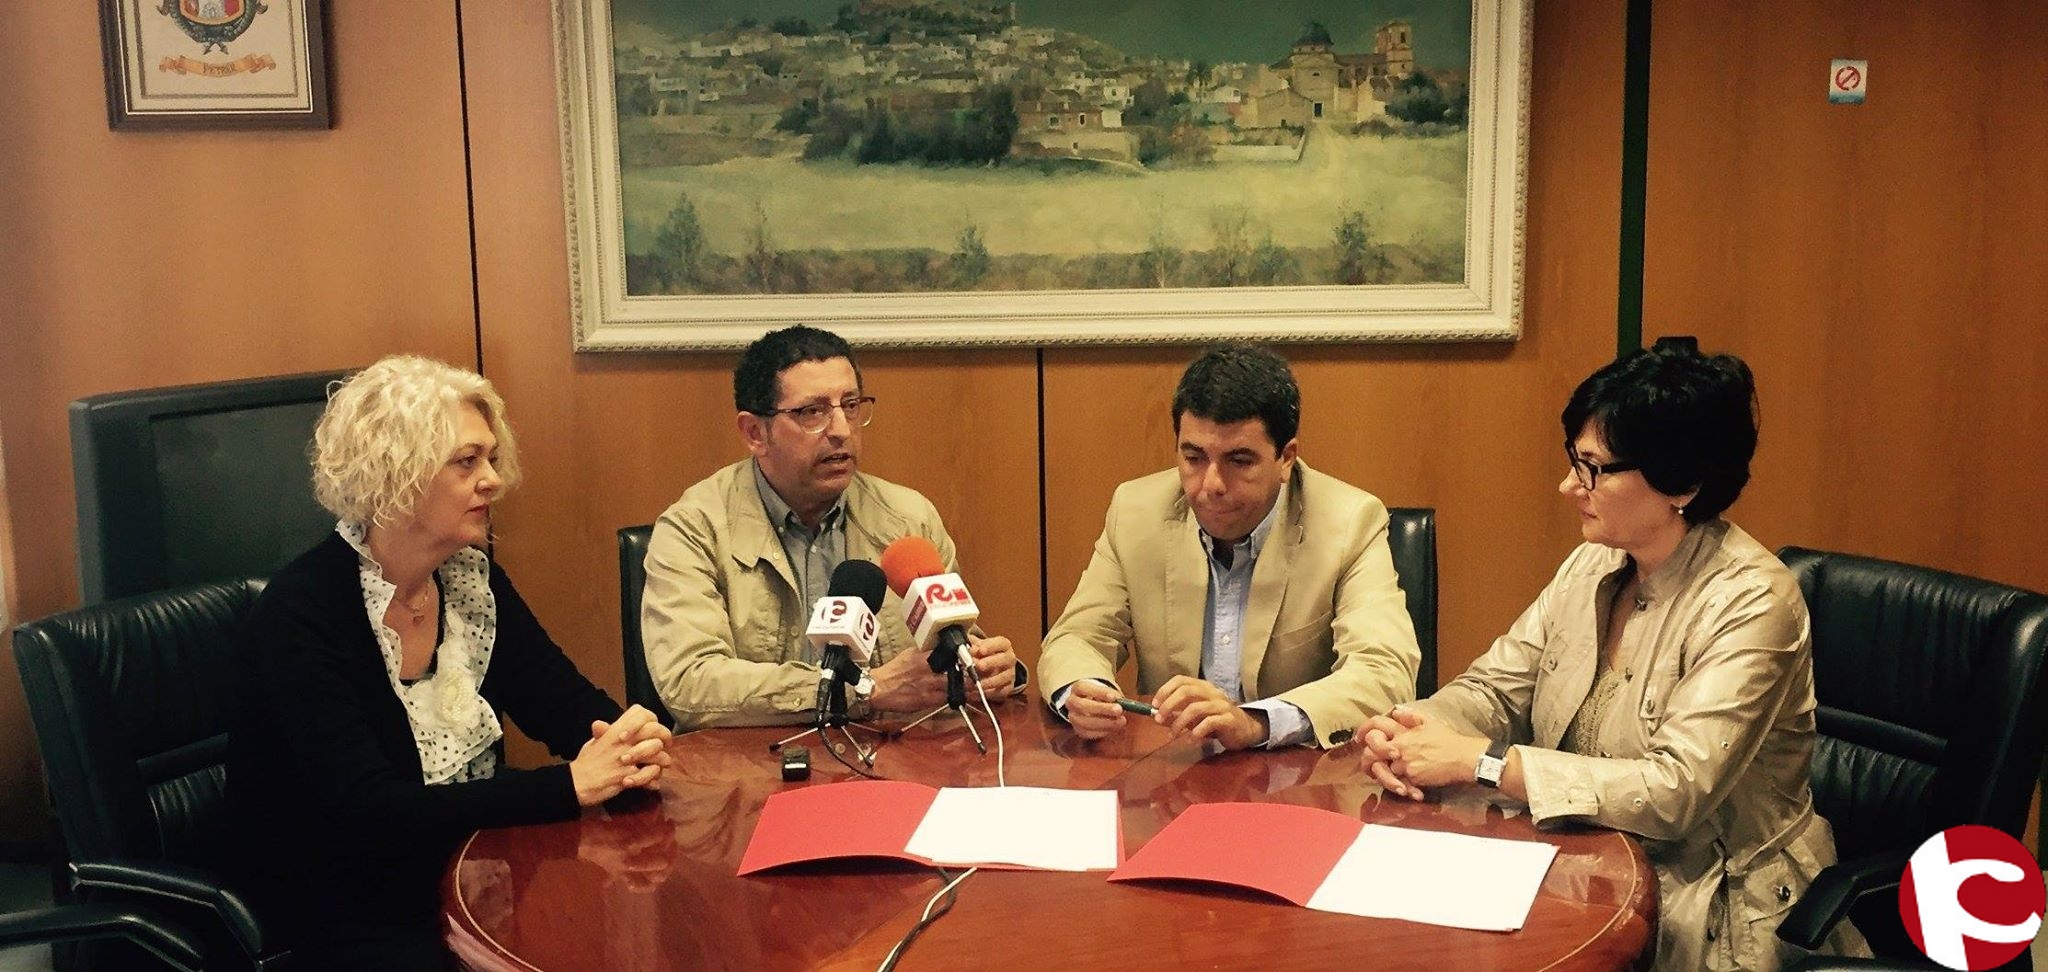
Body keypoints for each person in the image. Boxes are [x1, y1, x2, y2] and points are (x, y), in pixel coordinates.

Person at [1358, 341, 1866, 970]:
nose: (1569, 486)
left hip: (1714, 910)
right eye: (1574, 461)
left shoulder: (1753, 602)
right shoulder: (1592, 563)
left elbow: (1674, 791)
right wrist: (1416, 729)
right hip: (1582, 871)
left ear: (1681, 482)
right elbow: (1495, 687)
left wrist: (1482, 765)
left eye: (1593, 468)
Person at [227, 355, 672, 970]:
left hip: (465, 867)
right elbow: (372, 811)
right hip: (339, 903)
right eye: (467, 462)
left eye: (490, 458)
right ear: (394, 474)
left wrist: (627, 738)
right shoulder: (301, 613)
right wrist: (569, 784)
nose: (493, 480)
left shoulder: (467, 580)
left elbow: (563, 704)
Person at [1037, 344, 1420, 751]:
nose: (1211, 485)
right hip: (1171, 768)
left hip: (1300, 774)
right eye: (1194, 458)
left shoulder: (1350, 523)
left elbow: (1384, 672)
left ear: (1286, 458)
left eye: (1239, 461)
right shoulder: (1136, 512)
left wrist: (1256, 722)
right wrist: (1083, 688)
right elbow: (1078, 636)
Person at [641, 325, 1022, 730]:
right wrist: (865, 690)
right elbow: (691, 685)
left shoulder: (909, 518)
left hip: (887, 755)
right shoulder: (694, 530)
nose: (841, 430)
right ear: (755, 433)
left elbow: (949, 646)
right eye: (812, 412)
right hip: (749, 760)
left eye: (851, 406)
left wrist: (988, 669)